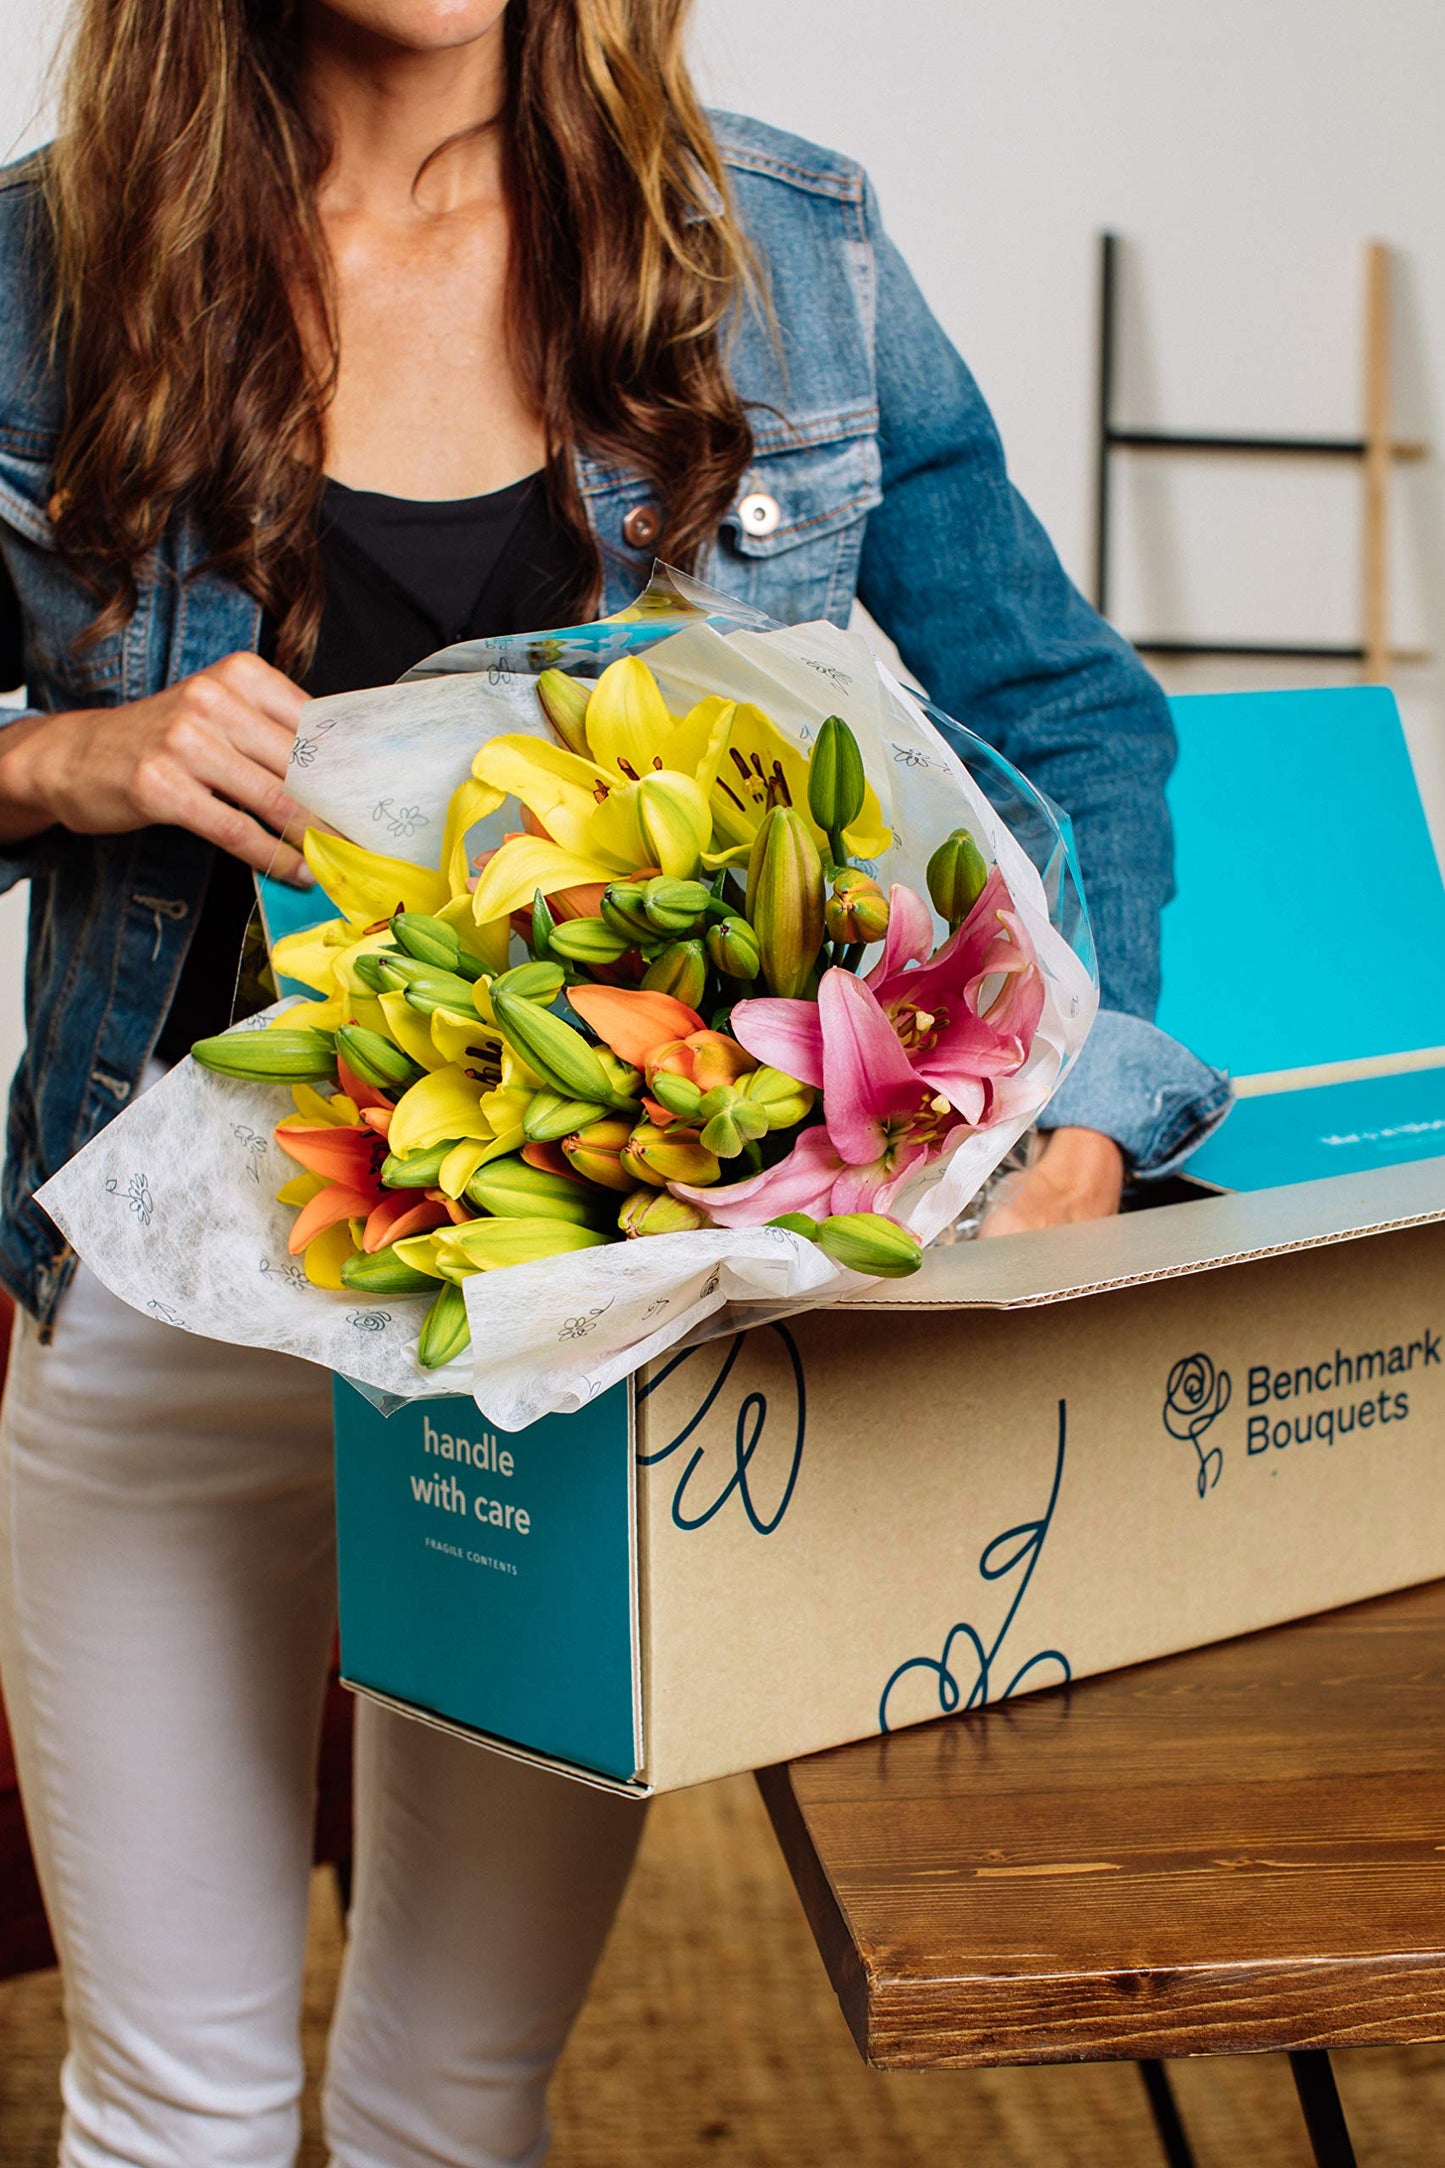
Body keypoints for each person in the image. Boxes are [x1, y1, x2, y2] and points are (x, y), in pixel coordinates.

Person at [0, 2, 1227, 2161]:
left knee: (449, 2101)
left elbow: (1077, 721)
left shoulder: (782, 251)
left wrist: (1094, 1111)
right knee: (165, 2109)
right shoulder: (40, 273)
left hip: (583, 1355)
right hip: (179, 1302)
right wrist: (58, 756)